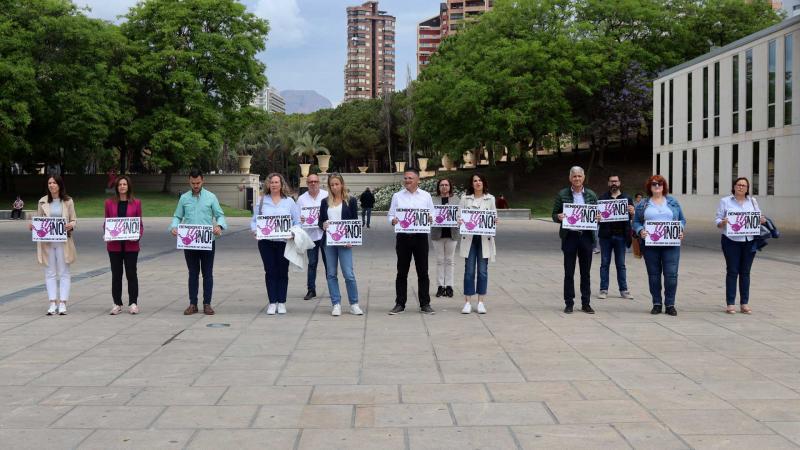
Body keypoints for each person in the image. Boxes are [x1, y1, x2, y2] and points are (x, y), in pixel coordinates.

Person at [169, 170, 227, 315]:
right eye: (193, 183)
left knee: (207, 274)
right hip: (189, 242)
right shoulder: (184, 198)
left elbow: (220, 215)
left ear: (203, 181)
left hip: (207, 241)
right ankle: (192, 304)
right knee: (193, 273)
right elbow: (177, 216)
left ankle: (207, 303)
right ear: (189, 181)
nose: (195, 185)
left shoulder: (211, 197)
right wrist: (174, 227)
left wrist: (219, 226)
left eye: (198, 183)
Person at [633, 175, 686, 316]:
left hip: (671, 245)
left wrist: (679, 230)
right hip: (650, 245)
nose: (657, 186)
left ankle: (670, 304)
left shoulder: (673, 202)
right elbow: (636, 222)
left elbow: (681, 220)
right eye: (654, 184)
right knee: (654, 275)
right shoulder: (643, 204)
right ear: (650, 187)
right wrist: (640, 231)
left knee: (671, 275)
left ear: (664, 186)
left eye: (660, 184)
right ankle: (656, 303)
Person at [387, 167, 436, 315]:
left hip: (420, 237)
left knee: (423, 271)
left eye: (410, 178)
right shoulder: (397, 196)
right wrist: (393, 220)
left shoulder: (426, 196)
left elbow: (432, 214)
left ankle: (425, 304)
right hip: (403, 237)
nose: (407, 181)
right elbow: (390, 215)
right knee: (402, 272)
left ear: (417, 180)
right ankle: (400, 303)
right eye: (405, 178)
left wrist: (430, 218)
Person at [715, 177, 766, 314]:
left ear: (747, 188)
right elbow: (717, 220)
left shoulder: (753, 201)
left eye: (744, 185)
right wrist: (723, 222)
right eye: (739, 185)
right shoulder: (725, 201)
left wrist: (761, 220)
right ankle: (730, 303)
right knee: (732, 271)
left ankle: (744, 303)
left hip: (749, 241)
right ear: (734, 186)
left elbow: (759, 217)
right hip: (730, 240)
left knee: (745, 272)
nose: (741, 187)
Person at [252, 173, 300, 315]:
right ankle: (272, 302)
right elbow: (254, 220)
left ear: (281, 184)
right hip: (266, 243)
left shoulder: (289, 202)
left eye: (276, 182)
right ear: (268, 184)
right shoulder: (261, 201)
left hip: (284, 242)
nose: (274, 185)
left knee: (282, 272)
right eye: (271, 182)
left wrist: (293, 233)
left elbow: (297, 222)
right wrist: (255, 231)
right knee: (270, 271)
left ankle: (282, 302)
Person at [552, 166, 597, 314]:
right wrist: (558, 217)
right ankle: (569, 303)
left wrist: (598, 218)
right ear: (570, 178)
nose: (577, 179)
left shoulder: (591, 195)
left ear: (583, 178)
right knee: (569, 271)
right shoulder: (562, 194)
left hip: (586, 236)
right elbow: (554, 214)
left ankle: (586, 303)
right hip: (569, 236)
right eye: (574, 176)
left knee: (586, 272)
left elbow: (597, 215)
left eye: (579, 176)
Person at [31, 176, 77, 315]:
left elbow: (74, 219)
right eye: (49, 183)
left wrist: (71, 225)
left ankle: (63, 303)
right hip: (47, 242)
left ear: (59, 185)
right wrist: (33, 226)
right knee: (50, 272)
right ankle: (52, 303)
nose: (51, 185)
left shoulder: (68, 201)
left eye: (54, 183)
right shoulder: (42, 201)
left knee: (64, 272)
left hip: (63, 241)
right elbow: (38, 220)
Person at [319, 173, 363, 316]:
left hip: (345, 242)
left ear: (342, 184)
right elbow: (320, 221)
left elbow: (355, 222)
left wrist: (352, 239)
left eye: (337, 184)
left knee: (348, 274)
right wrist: (323, 225)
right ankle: (336, 303)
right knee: (331, 274)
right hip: (329, 242)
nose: (334, 187)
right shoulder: (324, 202)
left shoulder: (350, 201)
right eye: (332, 185)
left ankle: (354, 303)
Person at [459, 173, 496, 314]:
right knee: (469, 271)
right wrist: (460, 221)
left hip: (484, 239)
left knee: (482, 271)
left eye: (480, 180)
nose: (478, 183)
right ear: (471, 183)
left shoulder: (490, 198)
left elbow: (493, 217)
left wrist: (494, 221)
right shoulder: (465, 199)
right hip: (469, 238)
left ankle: (481, 302)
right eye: (475, 181)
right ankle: (467, 302)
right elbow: (459, 216)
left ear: (484, 182)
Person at [105, 176, 142, 315]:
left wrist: (137, 235)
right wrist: (106, 232)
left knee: (131, 274)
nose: (122, 186)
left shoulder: (136, 203)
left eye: (124, 184)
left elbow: (140, 224)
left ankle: (133, 302)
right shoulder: (109, 203)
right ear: (116, 187)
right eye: (120, 184)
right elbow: (107, 222)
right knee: (116, 275)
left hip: (131, 246)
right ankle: (117, 303)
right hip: (114, 245)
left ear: (128, 186)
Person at [598, 175, 635, 300]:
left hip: (621, 236)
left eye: (616, 181)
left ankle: (624, 290)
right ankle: (603, 289)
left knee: (621, 264)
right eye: (611, 181)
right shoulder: (602, 198)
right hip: (605, 236)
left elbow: (632, 218)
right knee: (604, 263)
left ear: (619, 182)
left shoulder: (627, 198)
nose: (614, 183)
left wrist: (632, 212)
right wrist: (598, 217)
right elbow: (597, 219)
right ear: (608, 183)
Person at [297, 173, 329, 301]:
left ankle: (332, 289)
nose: (313, 183)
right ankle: (311, 290)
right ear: (307, 183)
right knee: (312, 263)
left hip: (326, 235)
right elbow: (297, 217)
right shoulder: (301, 199)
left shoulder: (326, 195)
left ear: (319, 182)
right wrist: (301, 218)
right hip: (310, 236)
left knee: (329, 264)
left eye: (315, 181)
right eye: (310, 182)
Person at [431, 178, 459, 298]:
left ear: (450, 186)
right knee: (439, 260)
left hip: (452, 233)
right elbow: (429, 214)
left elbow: (461, 214)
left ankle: (449, 285)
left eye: (446, 185)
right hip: (437, 234)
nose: (444, 187)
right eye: (441, 185)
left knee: (450, 260)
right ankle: (440, 286)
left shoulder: (456, 200)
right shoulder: (433, 200)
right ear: (438, 187)